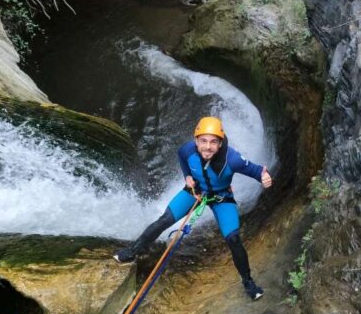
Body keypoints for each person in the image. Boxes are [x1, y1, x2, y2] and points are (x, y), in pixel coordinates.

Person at [114, 116, 272, 300]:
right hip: (194, 191)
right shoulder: (188, 150)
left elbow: (257, 171)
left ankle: (248, 282)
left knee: (234, 239)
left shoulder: (233, 159)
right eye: (203, 141)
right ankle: (132, 252)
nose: (207, 147)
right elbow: (182, 157)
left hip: (221, 198)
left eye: (214, 142)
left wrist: (265, 178)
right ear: (196, 140)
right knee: (164, 220)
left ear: (220, 144)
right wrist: (187, 177)